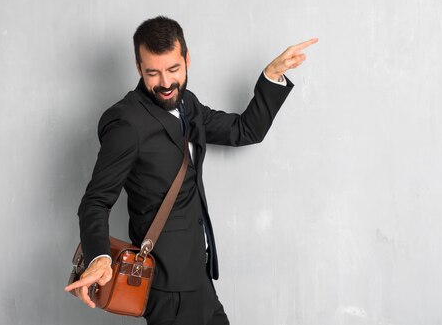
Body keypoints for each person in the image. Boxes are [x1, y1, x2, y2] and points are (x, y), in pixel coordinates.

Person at [65, 16, 317, 324]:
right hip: (167, 288)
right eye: (152, 73)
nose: (166, 83)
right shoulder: (126, 123)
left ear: (187, 59)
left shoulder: (189, 105)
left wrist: (272, 75)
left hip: (198, 275)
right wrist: (99, 257)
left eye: (173, 69)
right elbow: (95, 201)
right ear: (138, 68)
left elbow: (244, 130)